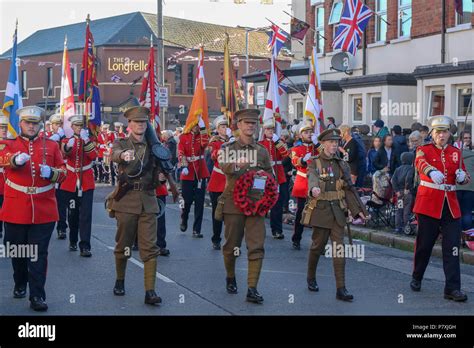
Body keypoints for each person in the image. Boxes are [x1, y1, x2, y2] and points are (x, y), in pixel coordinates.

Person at [0, 106, 66, 311]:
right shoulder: (8, 143)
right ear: (20, 124)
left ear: (40, 125)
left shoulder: (52, 146)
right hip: (16, 205)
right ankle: (20, 281)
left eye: (34, 123)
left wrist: (53, 173)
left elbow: (63, 172)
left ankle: (37, 295)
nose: (31, 126)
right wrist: (13, 160)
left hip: (44, 206)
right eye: (27, 122)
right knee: (16, 249)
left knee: (38, 253)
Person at [109, 106, 164, 305]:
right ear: (129, 124)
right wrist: (122, 156)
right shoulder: (121, 143)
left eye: (143, 122)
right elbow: (113, 154)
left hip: (148, 201)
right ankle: (120, 280)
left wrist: (162, 177)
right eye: (136, 122)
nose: (140, 125)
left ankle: (150, 291)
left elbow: (161, 172)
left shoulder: (154, 146)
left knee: (149, 247)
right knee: (123, 245)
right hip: (126, 201)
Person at [411, 115, 470, 302]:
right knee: (424, 246)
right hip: (429, 205)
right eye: (438, 132)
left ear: (449, 134)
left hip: (450, 206)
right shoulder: (423, 149)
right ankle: (417, 276)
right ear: (432, 134)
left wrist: (462, 177)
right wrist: (430, 171)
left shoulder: (456, 152)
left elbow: (465, 175)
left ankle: (452, 288)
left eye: (444, 132)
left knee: (452, 248)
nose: (441, 135)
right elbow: (420, 163)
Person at [305, 128, 367, 301]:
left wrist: (358, 211)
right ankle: (311, 277)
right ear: (323, 143)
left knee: (339, 249)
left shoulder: (342, 164)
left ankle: (341, 288)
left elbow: (348, 189)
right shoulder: (315, 162)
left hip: (338, 212)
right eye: (331, 142)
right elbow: (312, 177)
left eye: (336, 142)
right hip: (321, 210)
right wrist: (313, 188)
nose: (334, 145)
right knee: (317, 246)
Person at [218, 109, 273, 304]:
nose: (250, 126)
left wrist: (266, 186)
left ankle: (252, 288)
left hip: (256, 205)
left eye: (253, 123)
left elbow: (270, 176)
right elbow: (223, 164)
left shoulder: (262, 151)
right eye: (246, 123)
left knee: (256, 246)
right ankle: (231, 276)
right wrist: (236, 164)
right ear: (238, 125)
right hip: (234, 204)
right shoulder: (228, 148)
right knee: (232, 246)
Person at [60, 115, 97, 256]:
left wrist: (86, 140)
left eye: (81, 126)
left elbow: (93, 156)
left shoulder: (90, 140)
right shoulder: (66, 140)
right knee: (73, 213)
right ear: (72, 127)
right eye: (76, 126)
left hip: (86, 181)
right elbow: (65, 153)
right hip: (70, 182)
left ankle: (85, 246)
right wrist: (69, 145)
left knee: (86, 215)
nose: (79, 128)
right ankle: (73, 240)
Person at [290, 121, 321, 250]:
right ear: (300, 135)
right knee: (301, 213)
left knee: (318, 214)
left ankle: (318, 242)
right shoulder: (296, 148)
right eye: (306, 132)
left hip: (316, 183)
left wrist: (317, 143)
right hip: (303, 183)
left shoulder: (316, 147)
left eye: (310, 132)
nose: (309, 134)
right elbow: (295, 161)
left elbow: (327, 155)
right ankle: (296, 238)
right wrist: (302, 160)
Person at [178, 116, 210, 238]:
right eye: (196, 125)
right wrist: (184, 165)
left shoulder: (201, 136)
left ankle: (196, 229)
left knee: (199, 202)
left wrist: (203, 128)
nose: (197, 127)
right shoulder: (183, 137)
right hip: (188, 172)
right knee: (186, 201)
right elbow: (180, 152)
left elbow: (205, 144)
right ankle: (184, 218)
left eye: (199, 125)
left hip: (200, 172)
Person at [258, 118, 289, 239]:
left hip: (278, 175)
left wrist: (277, 142)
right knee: (261, 203)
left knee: (277, 204)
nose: (270, 131)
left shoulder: (279, 141)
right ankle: (258, 228)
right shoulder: (260, 144)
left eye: (272, 129)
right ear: (264, 131)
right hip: (265, 175)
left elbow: (286, 154)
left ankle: (277, 230)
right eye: (268, 129)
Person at [207, 115, 230, 249]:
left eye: (226, 126)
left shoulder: (233, 141)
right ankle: (216, 239)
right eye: (222, 126)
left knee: (231, 213)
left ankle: (230, 239)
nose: (225, 128)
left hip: (230, 181)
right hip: (217, 180)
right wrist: (222, 149)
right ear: (217, 129)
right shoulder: (214, 141)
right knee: (217, 212)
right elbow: (212, 155)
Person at [48, 113, 68, 240]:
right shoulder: (46, 137)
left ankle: (61, 228)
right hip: (48, 174)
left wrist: (62, 138)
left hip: (61, 173)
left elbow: (66, 153)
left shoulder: (65, 138)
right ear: (51, 126)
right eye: (55, 124)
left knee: (61, 203)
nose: (58, 126)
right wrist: (57, 136)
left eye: (60, 124)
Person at [390, 152, 415, 234]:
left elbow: (393, 180)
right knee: (406, 210)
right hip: (407, 193)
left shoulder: (398, 169)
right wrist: (407, 188)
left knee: (399, 209)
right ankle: (406, 227)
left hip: (399, 194)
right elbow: (408, 178)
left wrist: (396, 191)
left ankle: (398, 227)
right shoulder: (411, 169)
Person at [456, 131, 474, 233]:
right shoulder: (472, 154)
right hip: (469, 185)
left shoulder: (455, 153)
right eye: (465, 138)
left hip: (458, 185)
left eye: (469, 138)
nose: (468, 140)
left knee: (459, 212)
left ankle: (458, 235)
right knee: (466, 212)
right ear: (461, 140)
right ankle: (467, 236)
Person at [0, 115, 8, 239]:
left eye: (6, 128)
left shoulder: (11, 143)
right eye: (1, 127)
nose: (4, 130)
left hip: (7, 181)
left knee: (6, 208)